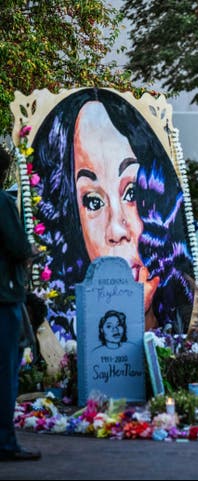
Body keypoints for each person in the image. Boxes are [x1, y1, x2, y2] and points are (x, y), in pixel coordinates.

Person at [31, 88, 195, 335]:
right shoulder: (64, 332)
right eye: (93, 202)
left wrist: (148, 317)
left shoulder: (189, 301)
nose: (117, 230)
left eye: (131, 193)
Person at [0, 146, 41, 461]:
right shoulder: (2, 202)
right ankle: (6, 442)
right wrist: (31, 251)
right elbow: (18, 246)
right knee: (6, 371)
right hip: (4, 297)